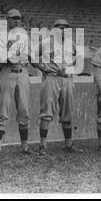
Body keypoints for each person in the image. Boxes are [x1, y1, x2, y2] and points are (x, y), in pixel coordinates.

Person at [33, 19, 83, 155]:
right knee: (47, 112)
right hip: (52, 78)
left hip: (67, 80)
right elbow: (31, 57)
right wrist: (43, 68)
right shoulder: (46, 43)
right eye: (60, 28)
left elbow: (78, 60)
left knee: (68, 112)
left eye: (66, 28)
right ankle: (42, 145)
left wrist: (70, 69)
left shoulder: (71, 44)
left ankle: (68, 144)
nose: (63, 30)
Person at [0, 8, 31, 158]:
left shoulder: (24, 36)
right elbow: (2, 59)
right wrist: (13, 56)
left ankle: (25, 146)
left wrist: (14, 56)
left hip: (22, 73)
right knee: (2, 110)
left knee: (24, 110)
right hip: (6, 74)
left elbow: (26, 56)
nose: (16, 21)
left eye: (18, 18)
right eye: (13, 18)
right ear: (7, 20)